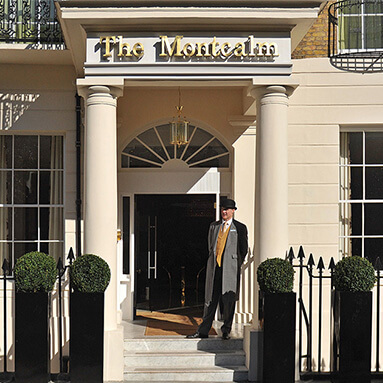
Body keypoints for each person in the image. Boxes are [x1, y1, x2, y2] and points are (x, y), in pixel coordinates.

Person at [187, 198, 248, 340]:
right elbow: (210, 246)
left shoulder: (240, 227)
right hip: (215, 269)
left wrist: (235, 264)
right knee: (210, 300)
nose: (224, 211)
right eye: (222, 209)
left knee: (228, 300)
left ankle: (226, 330)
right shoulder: (214, 226)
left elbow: (243, 249)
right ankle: (203, 330)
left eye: (227, 209)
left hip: (230, 270)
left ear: (233, 211)